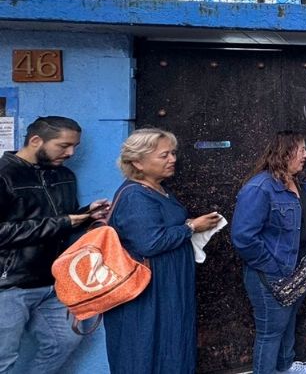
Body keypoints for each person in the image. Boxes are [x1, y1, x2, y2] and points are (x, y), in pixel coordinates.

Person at [105, 128, 222, 374]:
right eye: (164, 155)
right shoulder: (136, 196)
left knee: (171, 344)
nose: (173, 159)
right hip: (149, 292)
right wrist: (191, 226)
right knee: (146, 348)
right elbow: (151, 243)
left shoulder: (158, 189)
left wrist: (189, 227)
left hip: (167, 286)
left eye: (173, 153)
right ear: (138, 161)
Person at [0, 116, 109, 374]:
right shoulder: (4, 175)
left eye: (75, 147)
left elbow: (62, 221)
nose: (70, 153)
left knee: (65, 341)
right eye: (63, 146)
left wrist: (86, 216)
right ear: (36, 140)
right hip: (8, 285)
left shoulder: (63, 175)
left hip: (54, 282)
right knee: (3, 359)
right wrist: (65, 222)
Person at [232, 131, 306, 374]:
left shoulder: (300, 183)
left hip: (299, 269)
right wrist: (274, 267)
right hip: (270, 275)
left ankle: (286, 366)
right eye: (301, 149)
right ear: (284, 152)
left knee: (288, 321)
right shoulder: (259, 188)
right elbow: (243, 237)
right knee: (270, 333)